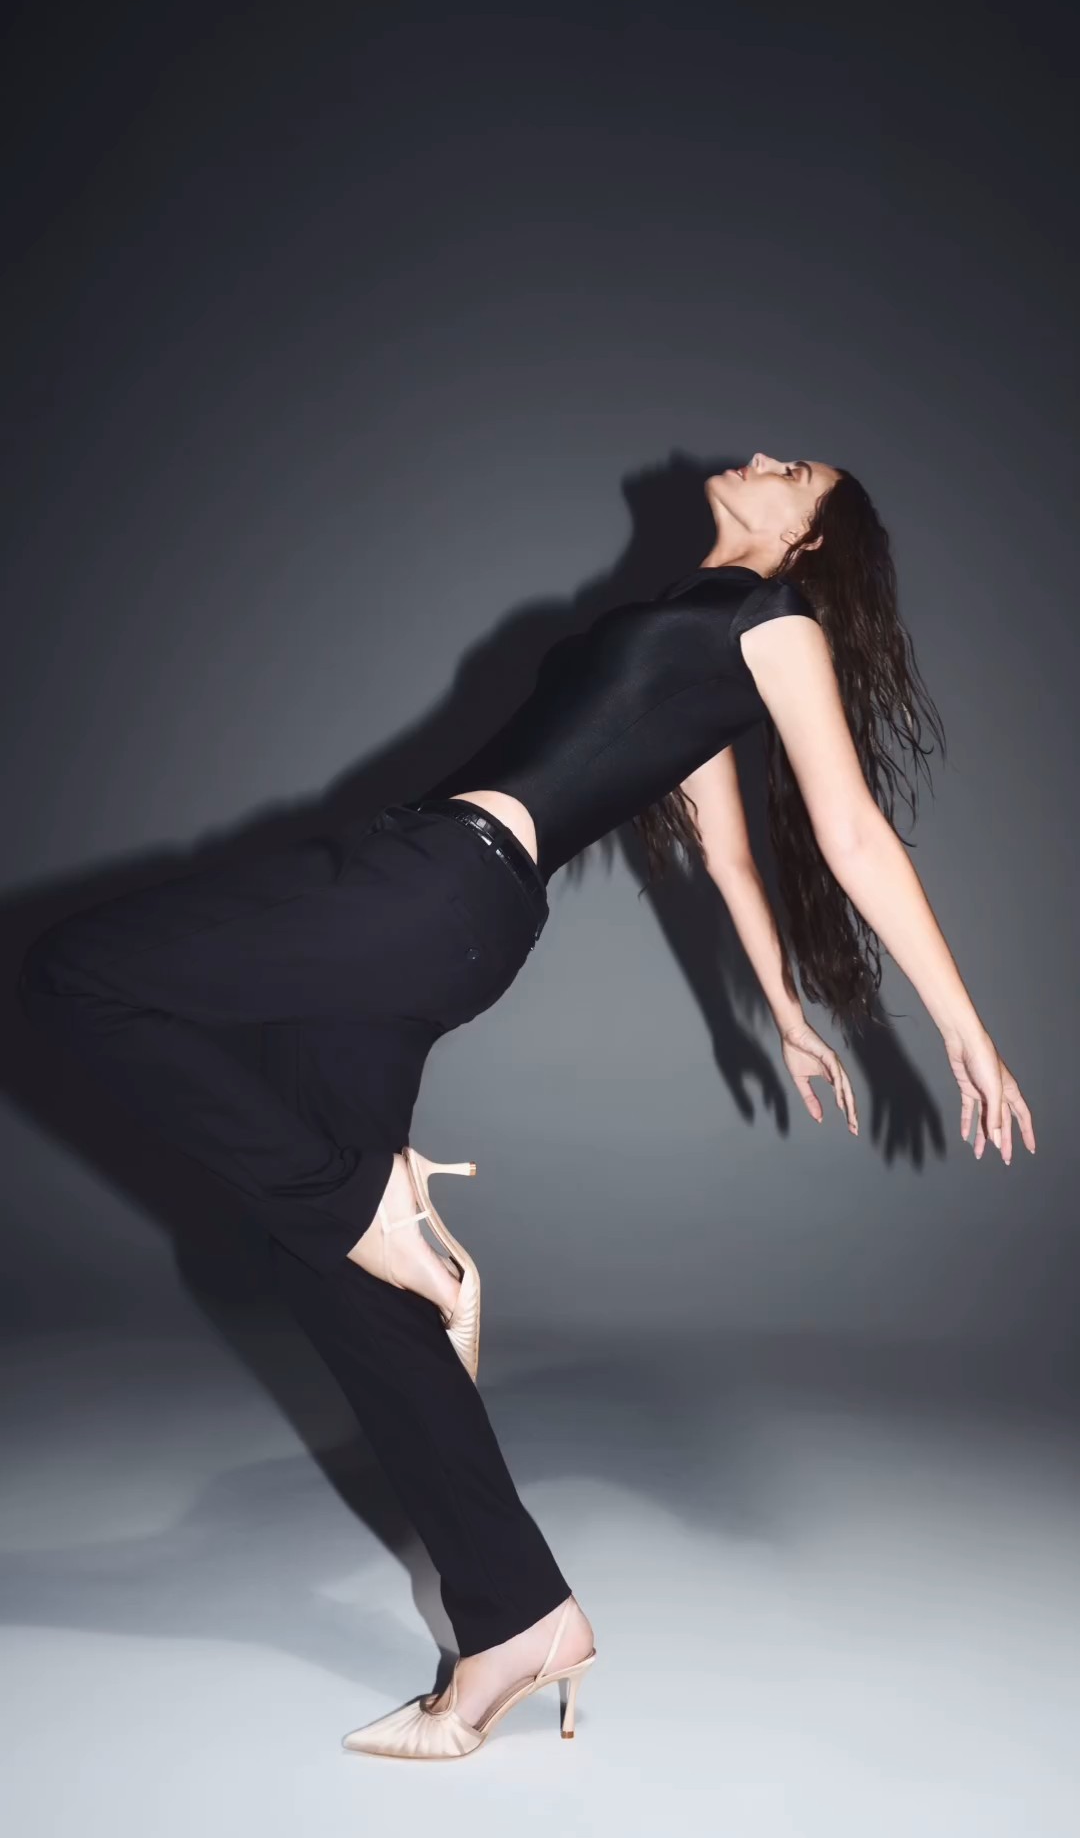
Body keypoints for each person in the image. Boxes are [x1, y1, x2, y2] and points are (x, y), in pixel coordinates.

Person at [17, 450, 1035, 1763]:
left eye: (798, 472)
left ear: (812, 543)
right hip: (443, 911)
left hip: (430, 888)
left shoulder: (776, 616)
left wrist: (963, 1029)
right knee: (339, 1277)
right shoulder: (696, 631)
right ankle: (517, 1619)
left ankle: (361, 1198)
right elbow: (727, 854)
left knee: (80, 975)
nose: (762, 457)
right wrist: (782, 1012)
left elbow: (847, 833)